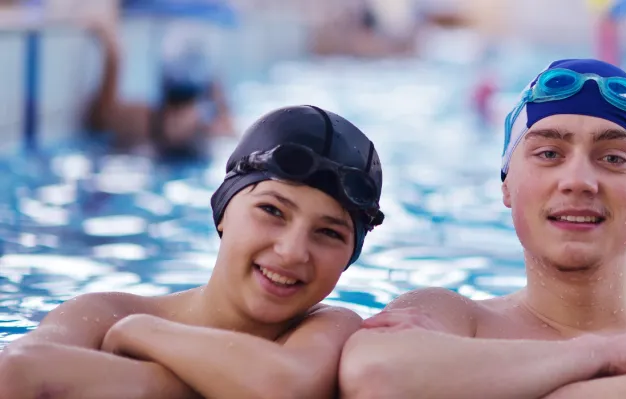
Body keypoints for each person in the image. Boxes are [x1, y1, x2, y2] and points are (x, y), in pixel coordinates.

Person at [337, 58, 626, 399]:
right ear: (507, 185)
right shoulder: (449, 315)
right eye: (548, 154)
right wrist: (603, 356)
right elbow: (377, 375)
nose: (578, 180)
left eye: (613, 158)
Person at [0, 105, 383, 398]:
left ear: (350, 255)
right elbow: (17, 372)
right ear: (222, 212)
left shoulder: (332, 327)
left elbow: (283, 388)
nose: (291, 251)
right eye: (272, 210)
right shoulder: (102, 314)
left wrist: (140, 335)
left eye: (329, 233)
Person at [84, 17, 235, 160]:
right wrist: (113, 55)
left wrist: (113, 54)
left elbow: (102, 119)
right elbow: (100, 120)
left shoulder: (143, 121)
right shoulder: (212, 129)